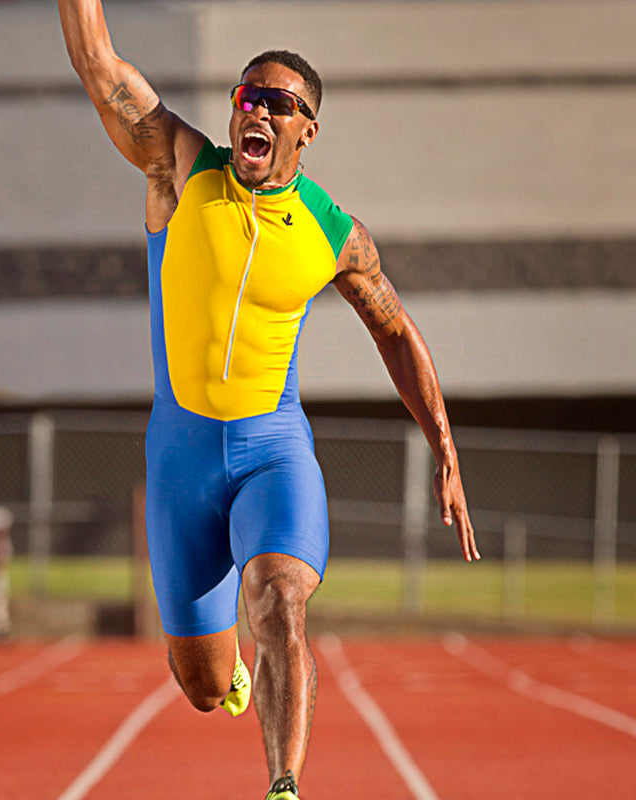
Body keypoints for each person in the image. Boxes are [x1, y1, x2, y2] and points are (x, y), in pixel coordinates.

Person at [58, 3, 480, 798]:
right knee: (204, 686)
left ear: (307, 130)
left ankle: (284, 787)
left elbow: (394, 329)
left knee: (280, 601)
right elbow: (102, 68)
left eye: (277, 102)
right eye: (246, 95)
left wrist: (446, 449)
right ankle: (232, 681)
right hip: (180, 460)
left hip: (271, 453)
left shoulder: (332, 232)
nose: (255, 109)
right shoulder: (181, 170)